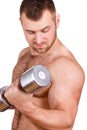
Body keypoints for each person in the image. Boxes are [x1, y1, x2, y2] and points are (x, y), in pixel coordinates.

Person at [4, 0, 85, 130]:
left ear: (57, 21)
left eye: (45, 30)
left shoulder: (66, 67)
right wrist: (10, 99)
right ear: (21, 23)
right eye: (30, 32)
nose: (38, 40)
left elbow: (66, 120)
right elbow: (29, 101)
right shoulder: (24, 54)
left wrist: (23, 104)